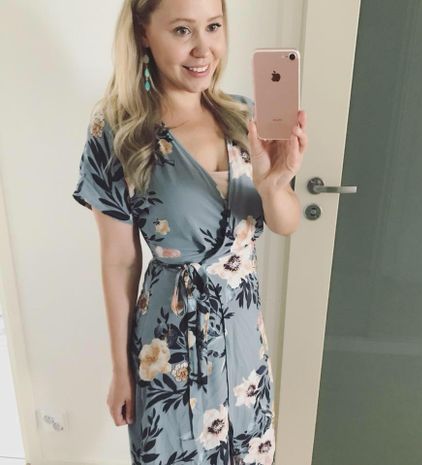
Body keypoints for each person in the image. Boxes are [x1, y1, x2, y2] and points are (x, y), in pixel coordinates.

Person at [72, 0, 307, 464]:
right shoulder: (118, 132)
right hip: (168, 343)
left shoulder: (246, 118)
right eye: (182, 30)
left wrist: (273, 184)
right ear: (144, 33)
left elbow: (286, 223)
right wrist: (120, 371)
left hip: (243, 341)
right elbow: (120, 261)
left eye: (213, 27)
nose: (204, 49)